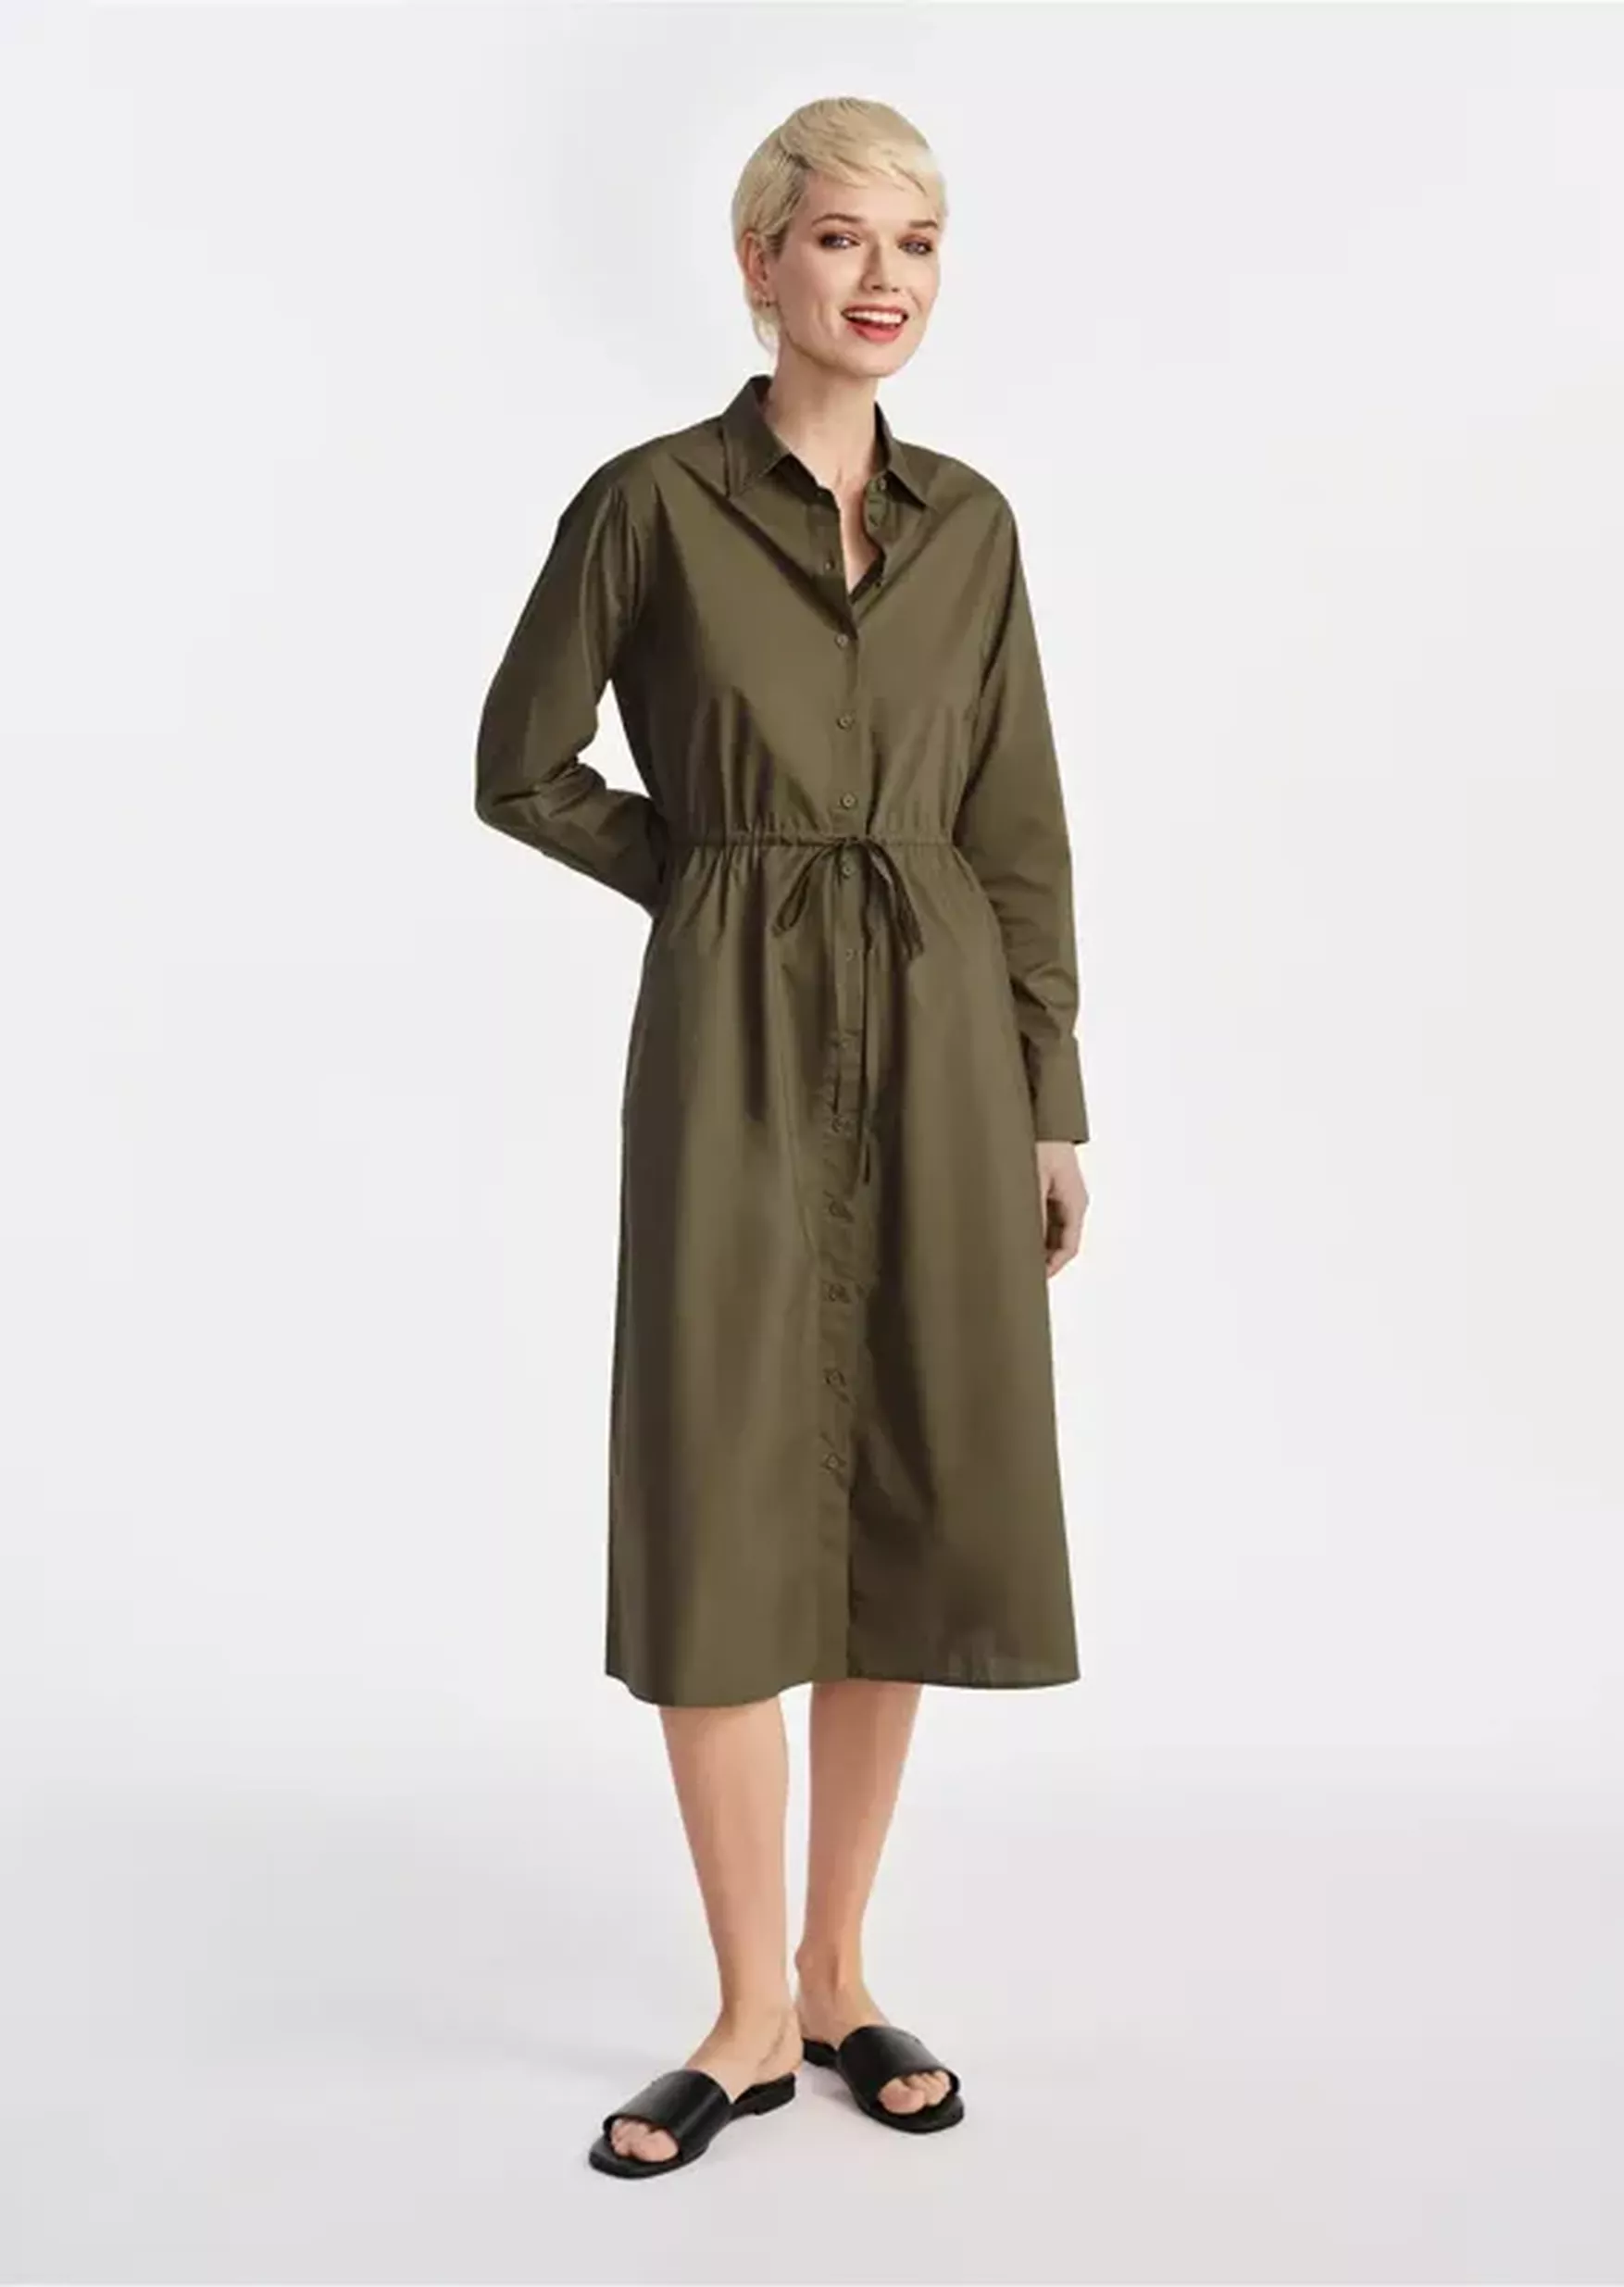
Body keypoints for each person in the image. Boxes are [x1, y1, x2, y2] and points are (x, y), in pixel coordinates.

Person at [474, 96, 1092, 2179]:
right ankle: (743, 2009)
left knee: (899, 1484)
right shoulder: (648, 506)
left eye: (915, 241)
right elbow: (519, 761)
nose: (882, 277)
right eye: (840, 238)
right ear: (760, 263)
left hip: (944, 1034)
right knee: (722, 1478)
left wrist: (1050, 1098)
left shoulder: (972, 527)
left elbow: (1016, 828)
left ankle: (837, 1971)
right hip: (733, 1039)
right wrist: (709, 874)